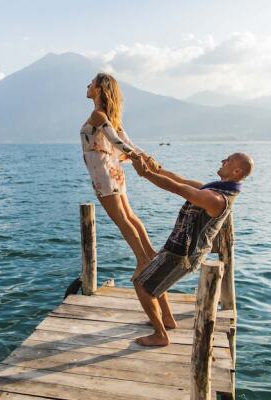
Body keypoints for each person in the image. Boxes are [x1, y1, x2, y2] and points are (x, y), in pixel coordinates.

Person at [130, 152, 254, 346]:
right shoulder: (215, 188)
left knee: (141, 284)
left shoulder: (217, 198)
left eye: (228, 160)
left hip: (184, 254)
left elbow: (178, 188)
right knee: (153, 280)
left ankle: (160, 335)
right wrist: (156, 169)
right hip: (177, 248)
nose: (222, 160)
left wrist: (145, 174)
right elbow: (180, 180)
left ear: (236, 171)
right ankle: (168, 320)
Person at [80, 72, 160, 273]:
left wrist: (139, 158)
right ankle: (151, 254)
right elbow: (126, 142)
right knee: (129, 216)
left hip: (104, 172)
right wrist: (145, 157)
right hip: (112, 169)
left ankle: (143, 259)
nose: (88, 85)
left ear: (98, 90)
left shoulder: (98, 115)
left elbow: (118, 142)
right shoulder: (109, 117)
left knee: (122, 219)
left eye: (91, 83)